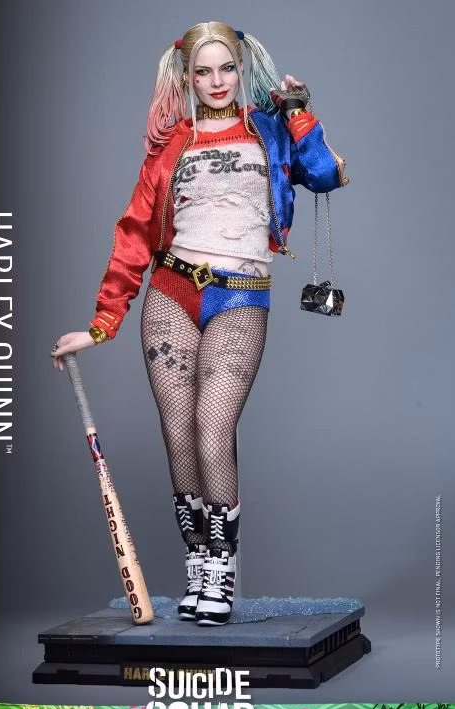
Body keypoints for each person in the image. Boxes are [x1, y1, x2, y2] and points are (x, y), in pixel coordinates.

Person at [51, 21, 347, 626]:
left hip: (240, 296)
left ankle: (222, 567)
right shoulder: (172, 144)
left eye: (226, 68)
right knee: (180, 434)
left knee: (213, 428)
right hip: (170, 294)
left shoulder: (269, 128)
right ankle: (199, 564)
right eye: (203, 71)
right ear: (186, 79)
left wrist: (300, 111)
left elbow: (324, 175)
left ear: (242, 69)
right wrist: (102, 322)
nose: (217, 81)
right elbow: (136, 232)